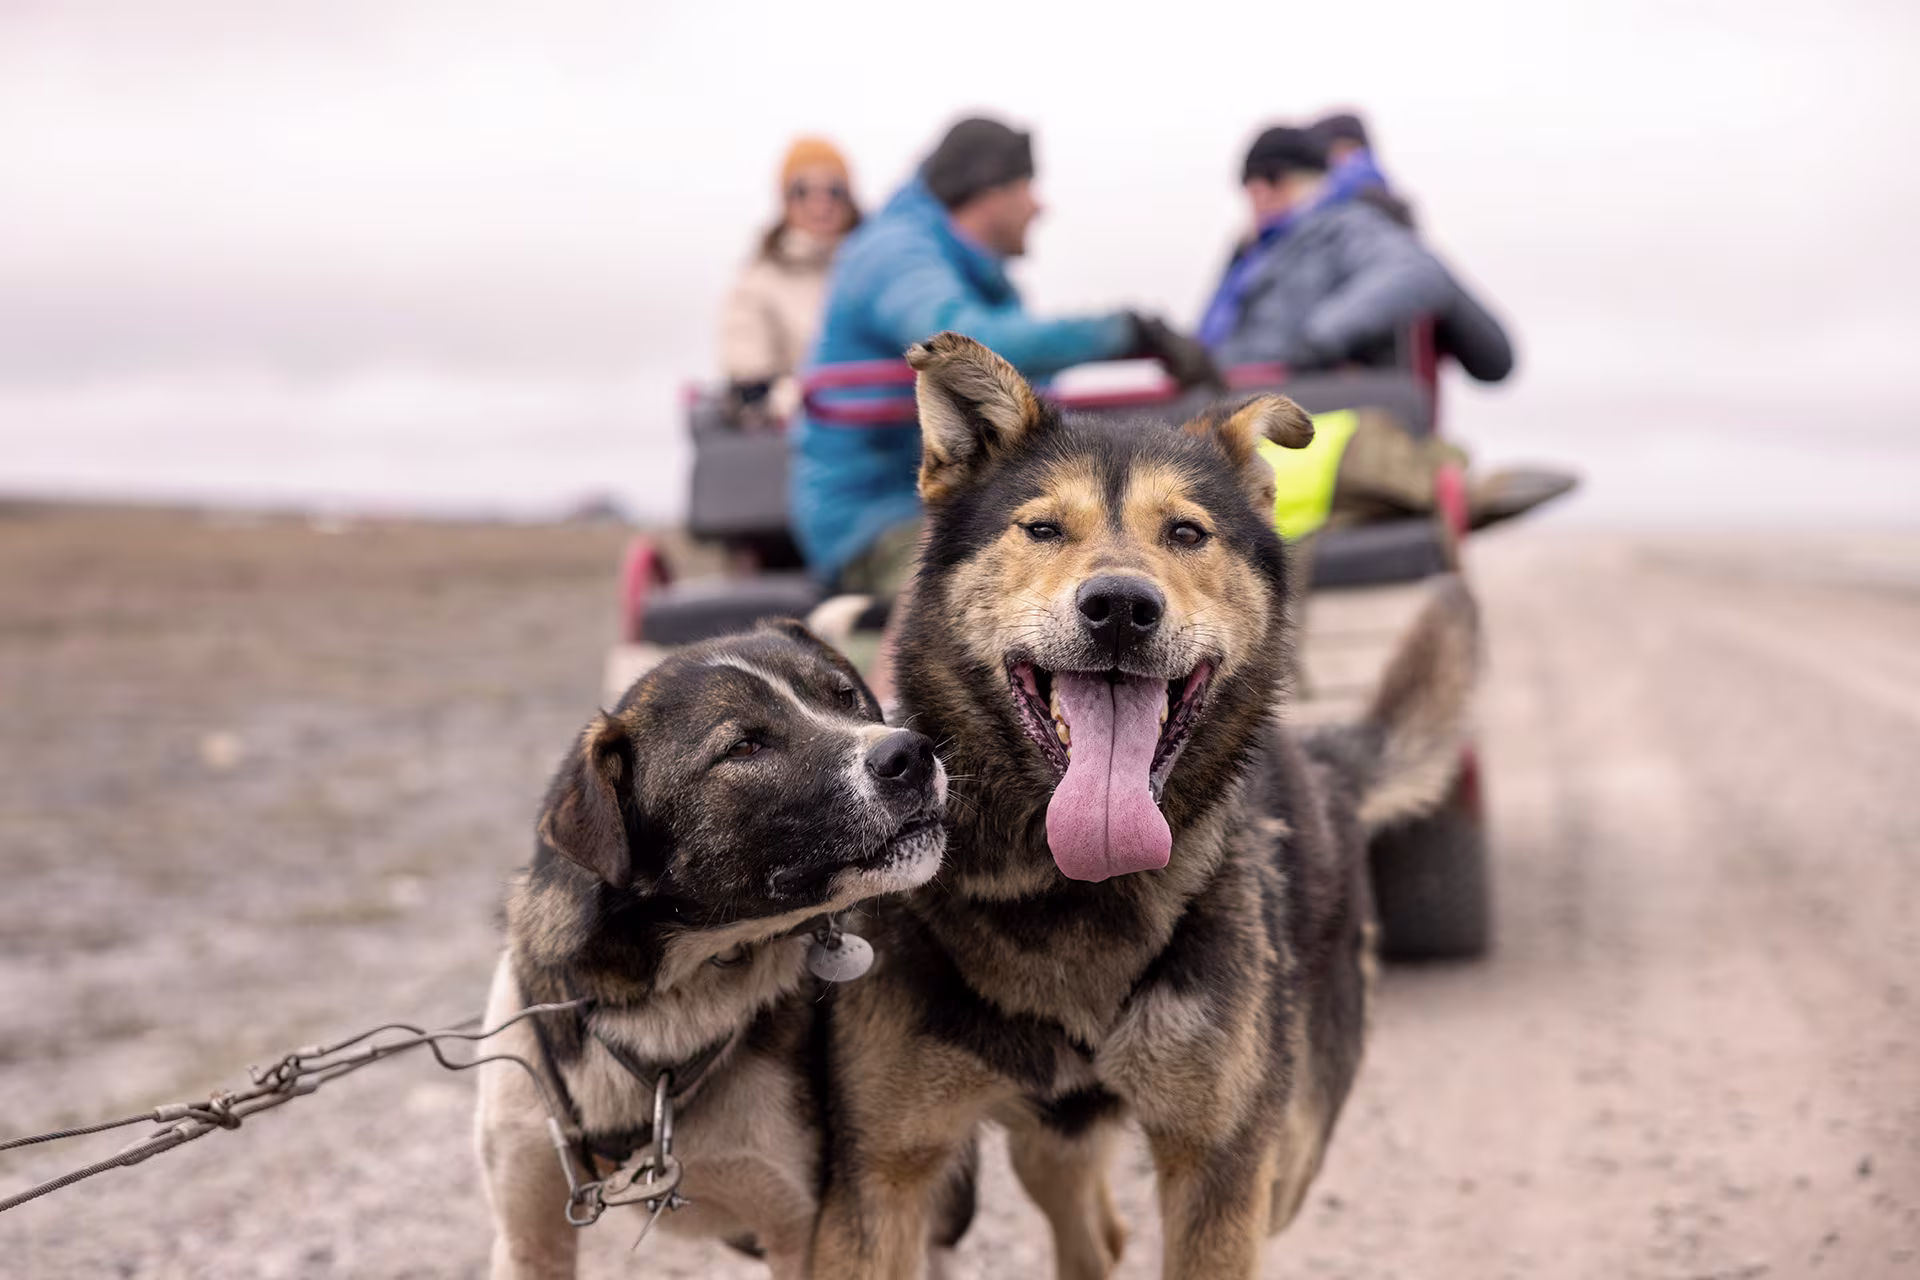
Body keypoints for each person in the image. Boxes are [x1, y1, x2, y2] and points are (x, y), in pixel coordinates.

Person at [791, 115, 1216, 598]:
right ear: (989, 190)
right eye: (1026, 184)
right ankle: (893, 670)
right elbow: (974, 345)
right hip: (876, 520)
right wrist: (1127, 332)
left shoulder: (985, 278)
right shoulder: (893, 255)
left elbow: (1037, 406)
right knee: (960, 589)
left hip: (960, 503)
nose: (1039, 206)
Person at [1200, 123, 1572, 533]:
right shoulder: (1255, 250)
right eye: (1248, 181)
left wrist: (1314, 338)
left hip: (1311, 396)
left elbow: (1418, 275)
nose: (1258, 191)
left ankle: (1435, 487)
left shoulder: (1350, 226)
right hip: (1240, 391)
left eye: (1272, 177)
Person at [718, 137, 862, 424]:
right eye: (802, 190)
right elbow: (750, 388)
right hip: (805, 436)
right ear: (784, 199)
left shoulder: (884, 270)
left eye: (834, 190)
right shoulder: (757, 283)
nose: (820, 202)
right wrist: (818, 398)